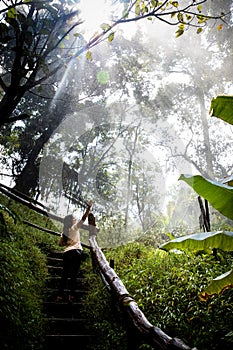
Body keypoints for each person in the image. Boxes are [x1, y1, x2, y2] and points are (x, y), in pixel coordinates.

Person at [57, 201, 93, 302]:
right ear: (71, 221)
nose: (75, 219)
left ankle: (59, 295)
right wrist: (88, 208)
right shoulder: (74, 227)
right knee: (73, 275)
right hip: (76, 252)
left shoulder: (64, 232)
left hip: (67, 253)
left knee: (64, 275)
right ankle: (71, 295)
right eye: (73, 218)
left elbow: (60, 244)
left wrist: (68, 242)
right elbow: (83, 218)